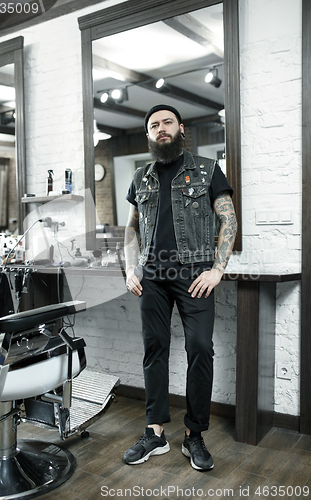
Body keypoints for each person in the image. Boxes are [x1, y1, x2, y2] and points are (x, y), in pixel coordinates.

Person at [123, 104, 237, 471]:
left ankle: (194, 435)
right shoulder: (140, 177)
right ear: (148, 135)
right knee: (154, 349)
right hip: (152, 276)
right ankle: (154, 432)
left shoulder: (206, 169)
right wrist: (131, 267)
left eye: (167, 122)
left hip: (195, 275)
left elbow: (227, 218)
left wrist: (218, 269)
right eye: (154, 124)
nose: (161, 128)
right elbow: (131, 227)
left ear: (180, 128)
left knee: (201, 348)